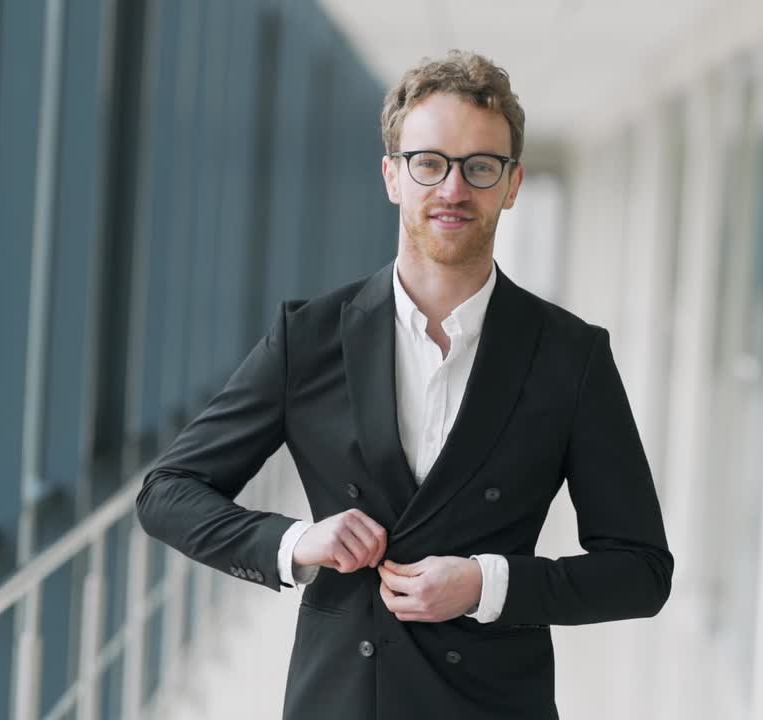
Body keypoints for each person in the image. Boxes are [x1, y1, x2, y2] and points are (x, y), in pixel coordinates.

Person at [136, 50, 673, 720]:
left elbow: (641, 572)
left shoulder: (571, 356)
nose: (453, 188)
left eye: (480, 167)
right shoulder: (309, 337)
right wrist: (297, 543)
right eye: (429, 163)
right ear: (393, 176)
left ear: (512, 184)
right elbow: (167, 493)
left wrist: (487, 584)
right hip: (341, 701)